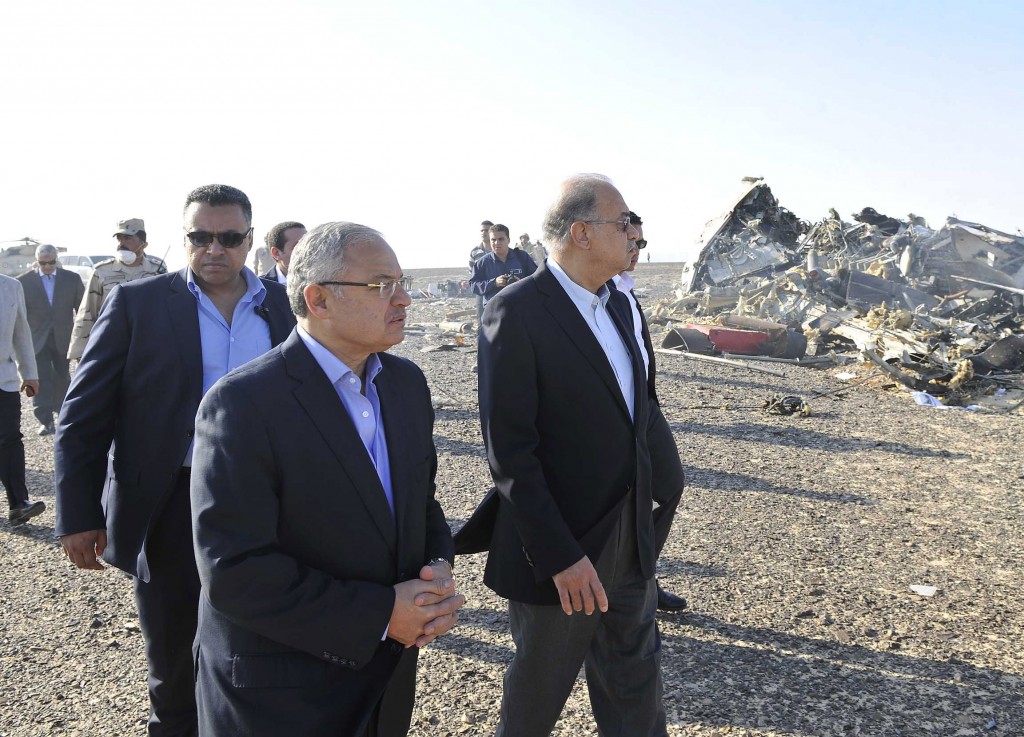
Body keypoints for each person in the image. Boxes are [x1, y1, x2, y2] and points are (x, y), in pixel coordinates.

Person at [191, 221, 463, 736]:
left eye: (402, 282)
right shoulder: (243, 403)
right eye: (382, 285)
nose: (404, 299)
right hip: (282, 692)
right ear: (318, 298)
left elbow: (420, 503)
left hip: (386, 679)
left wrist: (436, 571)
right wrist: (382, 614)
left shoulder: (405, 384)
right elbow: (235, 571)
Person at [54, 184, 295, 737]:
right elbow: (84, 415)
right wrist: (79, 514)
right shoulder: (139, 304)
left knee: (269, 643)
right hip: (170, 506)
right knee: (173, 654)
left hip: (274, 504)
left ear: (249, 240)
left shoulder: (285, 308)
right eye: (200, 237)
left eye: (229, 238)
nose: (215, 249)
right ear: (184, 238)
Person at [455, 174, 666, 736]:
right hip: (564, 552)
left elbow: (637, 419)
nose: (634, 236)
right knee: (536, 698)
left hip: (629, 543)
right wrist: (558, 556)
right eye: (623, 225)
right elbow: (511, 452)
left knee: (636, 687)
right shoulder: (516, 312)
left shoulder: (619, 307)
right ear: (583, 233)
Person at [611, 212, 687, 613]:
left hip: (645, 407)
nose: (635, 250)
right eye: (630, 241)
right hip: (614, 417)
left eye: (640, 244)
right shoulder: (593, 293)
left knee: (669, 485)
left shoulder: (625, 288)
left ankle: (644, 574)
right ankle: (634, 583)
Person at [67, 218, 167, 361]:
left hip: (147, 345)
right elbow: (88, 311)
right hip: (110, 345)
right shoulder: (101, 271)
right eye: (119, 239)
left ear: (143, 244)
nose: (121, 244)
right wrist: (80, 352)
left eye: (127, 238)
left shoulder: (157, 270)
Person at [17, 244, 84, 435]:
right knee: (39, 379)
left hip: (64, 338)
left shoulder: (72, 279)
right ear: (36, 262)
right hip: (36, 340)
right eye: (42, 263)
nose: (47, 266)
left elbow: (82, 310)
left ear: (57, 259)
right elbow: (19, 314)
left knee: (64, 377)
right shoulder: (23, 282)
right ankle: (45, 421)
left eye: (51, 262)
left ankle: (65, 416)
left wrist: (83, 338)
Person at [0, 274, 46, 526]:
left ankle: (18, 504)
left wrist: (29, 373)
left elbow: (20, 330)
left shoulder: (11, 286)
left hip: (3, 379)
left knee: (10, 440)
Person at [468, 224, 538, 308]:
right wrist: (494, 283)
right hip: (494, 310)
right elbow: (474, 285)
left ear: (508, 240)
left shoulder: (522, 257)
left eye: (501, 239)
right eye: (493, 240)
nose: (497, 243)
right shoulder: (482, 263)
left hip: (520, 307)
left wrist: (520, 283)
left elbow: (536, 279)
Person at [260, 220, 306, 285]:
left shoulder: (321, 283)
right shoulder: (259, 289)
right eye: (298, 247)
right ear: (276, 253)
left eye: (308, 245)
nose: (307, 252)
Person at [469, 220, 493, 326]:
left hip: (498, 288)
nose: (484, 232)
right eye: (482, 230)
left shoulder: (499, 249)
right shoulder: (475, 252)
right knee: (482, 322)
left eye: (486, 230)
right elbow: (472, 272)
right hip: (482, 290)